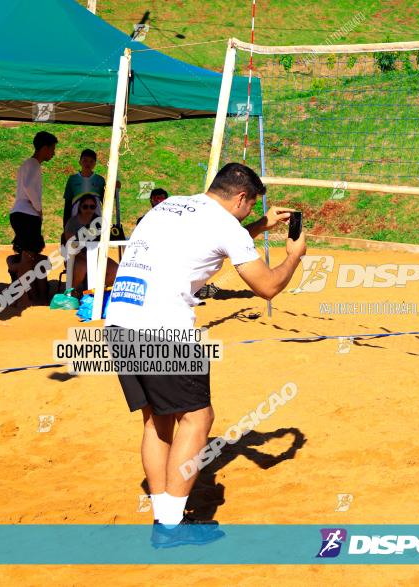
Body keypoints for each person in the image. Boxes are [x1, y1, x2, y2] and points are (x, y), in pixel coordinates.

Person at [104, 162, 306, 547]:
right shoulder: (227, 226)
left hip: (120, 319)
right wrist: (294, 255)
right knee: (198, 417)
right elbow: (266, 287)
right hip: (163, 328)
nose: (248, 214)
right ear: (242, 197)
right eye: (250, 208)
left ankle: (166, 515)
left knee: (157, 420)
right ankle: (168, 527)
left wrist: (261, 225)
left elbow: (215, 239)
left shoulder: (173, 205)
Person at [8, 131, 57, 307]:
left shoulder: (27, 164)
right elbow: (28, 186)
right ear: (44, 148)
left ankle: (26, 292)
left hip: (21, 213)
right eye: (52, 149)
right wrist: (39, 208)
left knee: (29, 256)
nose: (53, 153)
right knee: (28, 258)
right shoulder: (33, 164)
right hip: (27, 214)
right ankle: (22, 297)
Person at [63, 193, 117, 295]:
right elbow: (70, 245)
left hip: (96, 255)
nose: (88, 209)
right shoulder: (72, 222)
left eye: (92, 207)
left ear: (95, 208)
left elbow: (104, 241)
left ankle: (93, 292)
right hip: (75, 256)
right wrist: (87, 258)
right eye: (85, 206)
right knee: (82, 267)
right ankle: (71, 293)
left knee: (115, 269)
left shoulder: (99, 222)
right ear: (80, 207)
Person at [63, 148, 106, 228]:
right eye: (85, 160)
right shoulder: (72, 179)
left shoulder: (100, 180)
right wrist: (66, 225)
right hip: (77, 219)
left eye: (91, 161)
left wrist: (115, 187)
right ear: (80, 162)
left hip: (95, 220)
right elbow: (68, 203)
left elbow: (106, 201)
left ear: (95, 164)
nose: (88, 164)